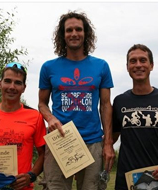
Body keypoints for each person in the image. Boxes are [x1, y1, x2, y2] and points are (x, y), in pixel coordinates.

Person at [38, 11, 115, 190]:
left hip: (93, 141)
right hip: (60, 140)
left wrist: (108, 143)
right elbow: (42, 103)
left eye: (78, 29)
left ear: (86, 34)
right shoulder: (48, 67)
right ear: (62, 35)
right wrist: (50, 118)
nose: (74, 33)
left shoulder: (101, 66)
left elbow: (105, 105)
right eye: (69, 30)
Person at [0, 62, 46, 190]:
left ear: (24, 88)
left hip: (20, 187)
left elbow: (44, 154)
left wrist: (31, 175)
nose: (12, 87)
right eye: (7, 81)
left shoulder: (35, 117)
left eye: (18, 83)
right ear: (0, 84)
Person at [113, 44, 158, 190]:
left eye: (143, 60)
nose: (138, 65)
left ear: (151, 65)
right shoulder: (119, 101)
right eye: (133, 61)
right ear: (127, 66)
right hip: (127, 180)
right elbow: (111, 138)